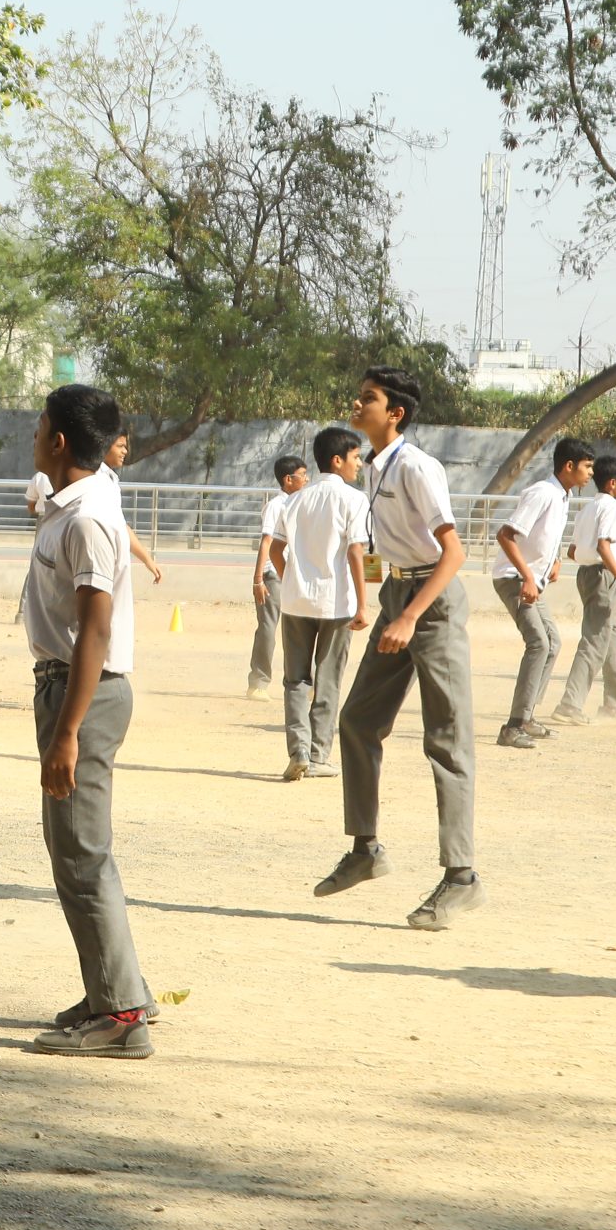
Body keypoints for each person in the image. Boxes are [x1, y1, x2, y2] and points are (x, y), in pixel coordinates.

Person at [316, 367, 481, 931]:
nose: (355, 404)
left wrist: (410, 616)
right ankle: (366, 850)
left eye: (367, 398)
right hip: (399, 596)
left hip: (431, 603)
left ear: (396, 414)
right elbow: (379, 545)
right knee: (358, 721)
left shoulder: (415, 467)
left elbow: (454, 552)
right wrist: (375, 601)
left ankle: (462, 878)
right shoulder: (376, 471)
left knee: (447, 740)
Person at [21, 384, 155, 1060]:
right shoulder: (73, 501)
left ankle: (123, 1014)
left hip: (86, 692)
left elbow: (95, 630)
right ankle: (109, 988)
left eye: (40, 426)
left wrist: (68, 731)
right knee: (73, 850)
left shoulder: (90, 517)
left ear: (62, 441)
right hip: (68, 688)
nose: (34, 435)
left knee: (82, 853)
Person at [270, 427, 370, 783]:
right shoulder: (353, 500)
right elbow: (356, 551)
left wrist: (291, 579)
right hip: (336, 602)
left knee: (295, 679)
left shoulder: (295, 499)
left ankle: (298, 749)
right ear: (337, 460)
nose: (359, 465)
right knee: (328, 679)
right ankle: (318, 754)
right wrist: (362, 603)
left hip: (296, 601)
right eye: (356, 457)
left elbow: (274, 550)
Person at [488, 437, 595, 751]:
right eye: (587, 467)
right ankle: (513, 726)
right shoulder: (543, 493)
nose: (591, 473)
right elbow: (506, 535)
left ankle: (527, 715)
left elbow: (548, 535)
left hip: (533, 582)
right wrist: (527, 576)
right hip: (514, 579)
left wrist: (557, 560)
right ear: (569, 466)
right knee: (539, 642)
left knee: (552, 642)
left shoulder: (562, 496)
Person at [553, 455, 616, 724]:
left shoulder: (588, 508)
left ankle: (614, 704)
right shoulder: (611, 507)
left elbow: (573, 551)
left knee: (612, 638)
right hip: (603, 575)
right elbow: (603, 546)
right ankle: (570, 703)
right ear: (612, 483)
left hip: (587, 574)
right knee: (595, 640)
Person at [246, 456, 309, 698]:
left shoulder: (301, 504)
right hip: (274, 575)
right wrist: (258, 579)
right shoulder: (277, 505)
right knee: (268, 628)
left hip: (294, 574)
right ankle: (259, 682)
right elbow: (267, 543)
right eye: (302, 474)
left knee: (301, 628)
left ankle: (304, 680)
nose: (306, 478)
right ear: (288, 479)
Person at [103, 431, 164, 584]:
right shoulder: (97, 481)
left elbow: (121, 526)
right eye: (120, 446)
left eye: (125, 446)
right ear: (103, 446)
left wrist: (148, 561)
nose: (125, 451)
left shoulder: (110, 479)